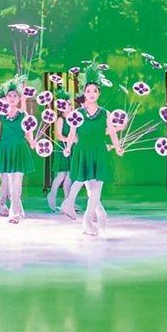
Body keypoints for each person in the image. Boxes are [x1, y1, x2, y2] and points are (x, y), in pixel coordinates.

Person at [63, 64, 123, 236]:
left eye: (95, 91)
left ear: (99, 93)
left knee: (96, 187)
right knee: (82, 180)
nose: (91, 94)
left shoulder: (105, 113)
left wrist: (117, 147)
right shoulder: (78, 113)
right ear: (84, 93)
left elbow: (112, 132)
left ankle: (88, 220)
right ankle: (72, 205)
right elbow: (72, 132)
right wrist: (68, 147)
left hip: (99, 150)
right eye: (88, 91)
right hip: (83, 149)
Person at [0, 75, 36, 224]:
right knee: (9, 180)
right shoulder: (0, 116)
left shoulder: (23, 114)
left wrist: (32, 142)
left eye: (15, 95)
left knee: (17, 181)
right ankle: (13, 208)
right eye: (10, 95)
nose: (12, 98)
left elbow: (28, 131)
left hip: (19, 148)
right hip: (6, 149)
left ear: (19, 98)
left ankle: (15, 209)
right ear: (6, 98)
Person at [46, 87, 73, 212]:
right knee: (61, 174)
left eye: (70, 104)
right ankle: (52, 195)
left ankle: (68, 201)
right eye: (67, 104)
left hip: (71, 147)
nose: (70, 106)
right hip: (63, 148)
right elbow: (59, 135)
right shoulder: (61, 119)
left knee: (69, 175)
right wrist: (70, 140)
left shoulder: (74, 119)